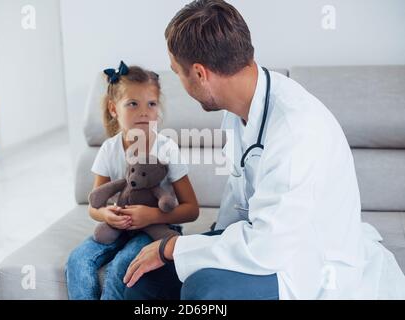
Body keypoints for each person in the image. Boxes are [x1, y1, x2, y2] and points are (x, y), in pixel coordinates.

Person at [121, 0, 405, 300]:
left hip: (305, 261)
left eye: (177, 72)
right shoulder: (237, 112)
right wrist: (203, 245)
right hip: (259, 240)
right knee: (142, 278)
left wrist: (173, 248)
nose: (178, 81)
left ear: (200, 73)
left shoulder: (296, 129)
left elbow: (270, 246)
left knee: (205, 290)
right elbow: (237, 202)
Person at [65, 62, 199, 300]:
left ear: (158, 110)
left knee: (123, 265)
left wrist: (153, 216)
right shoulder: (109, 148)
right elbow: (95, 206)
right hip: (117, 228)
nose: (144, 112)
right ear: (114, 109)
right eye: (133, 104)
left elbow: (191, 210)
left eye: (151, 104)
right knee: (78, 260)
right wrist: (107, 215)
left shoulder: (166, 148)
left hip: (158, 228)